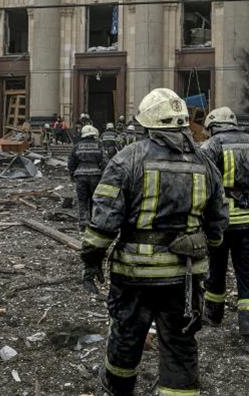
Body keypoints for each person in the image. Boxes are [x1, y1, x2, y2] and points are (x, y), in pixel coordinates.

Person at [80, 88, 228, 396]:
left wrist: (91, 259)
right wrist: (207, 249)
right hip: (184, 277)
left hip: (134, 275)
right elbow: (218, 221)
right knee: (180, 342)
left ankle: (119, 388)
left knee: (126, 337)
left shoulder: (128, 159)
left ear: (146, 124)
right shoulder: (204, 163)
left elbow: (104, 220)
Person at [200, 106, 249, 353]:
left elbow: (201, 184)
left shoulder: (211, 146)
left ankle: (213, 316)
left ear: (213, 126)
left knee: (216, 271)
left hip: (220, 224)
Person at [68, 125, 107, 229]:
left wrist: (72, 174)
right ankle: (94, 221)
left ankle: (83, 222)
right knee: (95, 199)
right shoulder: (99, 145)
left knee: (82, 200)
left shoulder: (77, 146)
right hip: (95, 176)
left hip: (80, 176)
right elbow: (104, 161)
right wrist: (103, 174)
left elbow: (71, 162)